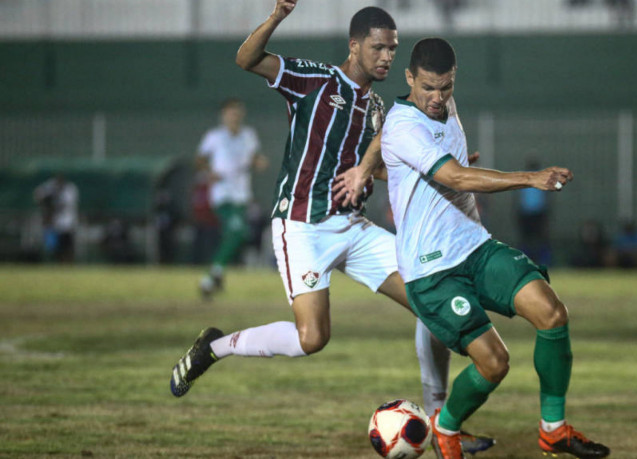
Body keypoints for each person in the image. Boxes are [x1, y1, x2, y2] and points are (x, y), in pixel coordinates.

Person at [169, 3, 494, 455]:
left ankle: (441, 423)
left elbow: (377, 169)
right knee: (312, 339)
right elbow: (246, 59)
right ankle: (216, 347)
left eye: (392, 50)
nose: (386, 57)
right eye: (378, 47)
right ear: (354, 45)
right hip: (301, 227)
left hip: (353, 228)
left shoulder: (378, 108)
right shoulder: (316, 81)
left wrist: (434, 170)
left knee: (432, 304)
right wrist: (278, 15)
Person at [336, 37, 609, 459]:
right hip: (433, 273)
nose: (436, 97)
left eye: (445, 87)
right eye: (427, 87)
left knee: (552, 313)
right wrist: (529, 178)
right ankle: (445, 429)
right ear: (409, 78)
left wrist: (425, 167)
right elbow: (458, 178)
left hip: (474, 247)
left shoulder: (444, 105)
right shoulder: (404, 123)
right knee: (495, 363)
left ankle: (553, 430)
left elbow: (438, 165)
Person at [196, 98, 269, 298]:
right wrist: (209, 171)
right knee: (237, 231)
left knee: (236, 234)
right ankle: (212, 276)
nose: (234, 116)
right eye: (230, 113)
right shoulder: (214, 136)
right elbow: (200, 160)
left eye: (237, 112)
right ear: (223, 115)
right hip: (222, 194)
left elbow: (254, 157)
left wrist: (259, 161)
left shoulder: (249, 135)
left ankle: (215, 277)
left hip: (242, 194)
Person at [33, 174, 79, 263]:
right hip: (53, 222)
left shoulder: (70, 189)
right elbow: (38, 195)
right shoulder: (50, 186)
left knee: (67, 245)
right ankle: (55, 262)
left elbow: (65, 205)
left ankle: (68, 262)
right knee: (54, 246)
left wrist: (54, 204)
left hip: (67, 222)